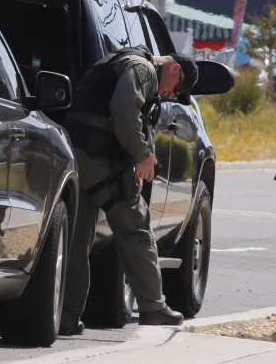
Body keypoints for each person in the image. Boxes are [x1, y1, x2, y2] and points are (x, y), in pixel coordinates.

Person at [59, 45, 198, 335]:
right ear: (174, 69)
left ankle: (66, 316)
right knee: (136, 228)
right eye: (177, 89)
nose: (171, 95)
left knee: (77, 239)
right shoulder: (142, 69)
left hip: (76, 155)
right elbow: (124, 110)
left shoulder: (118, 60)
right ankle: (154, 307)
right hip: (101, 159)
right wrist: (142, 156)